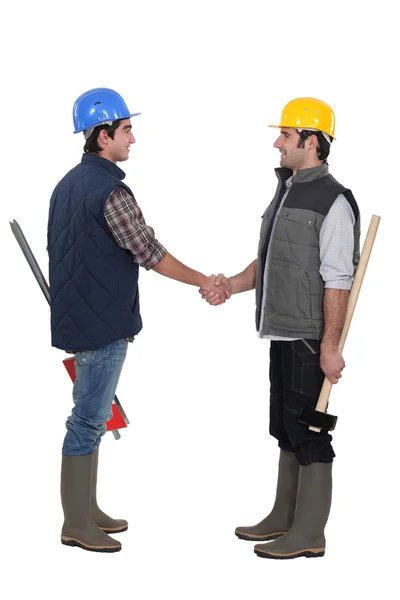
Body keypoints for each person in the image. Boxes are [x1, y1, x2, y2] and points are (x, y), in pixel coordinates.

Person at [47, 87, 230, 553]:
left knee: (92, 416)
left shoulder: (67, 185)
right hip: (103, 323)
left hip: (79, 316)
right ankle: (75, 523)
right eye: (126, 129)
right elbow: (151, 254)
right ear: (102, 135)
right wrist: (204, 281)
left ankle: (87, 510)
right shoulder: (111, 191)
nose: (133, 138)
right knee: (87, 421)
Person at [200, 97, 360, 559]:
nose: (277, 142)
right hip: (281, 332)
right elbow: (272, 261)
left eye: (286, 136)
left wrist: (330, 346)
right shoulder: (287, 189)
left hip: (309, 339)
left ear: (311, 142)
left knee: (311, 431)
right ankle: (283, 516)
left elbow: (338, 279)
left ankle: (309, 532)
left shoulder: (333, 201)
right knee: (285, 427)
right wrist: (230, 284)